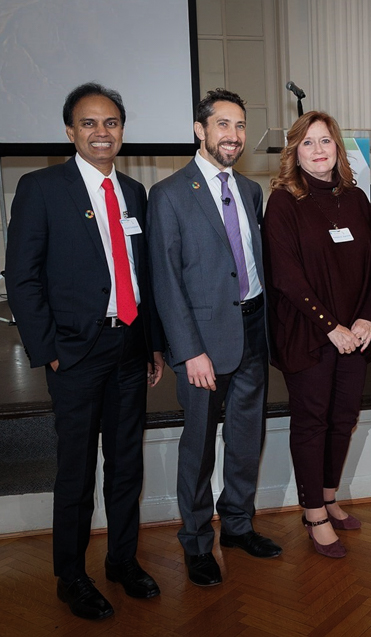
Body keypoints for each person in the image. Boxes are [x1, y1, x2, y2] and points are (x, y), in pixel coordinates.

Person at [5, 83, 165, 620]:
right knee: (75, 471)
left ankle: (122, 560)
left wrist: (151, 345)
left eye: (112, 122)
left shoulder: (136, 194)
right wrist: (48, 350)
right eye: (90, 123)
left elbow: (143, 277)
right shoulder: (41, 188)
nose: (102, 132)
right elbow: (22, 279)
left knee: (126, 465)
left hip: (128, 348)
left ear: (122, 130)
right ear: (70, 131)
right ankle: (70, 574)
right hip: (73, 354)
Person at [148, 88, 280, 587]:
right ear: (200, 130)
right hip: (202, 342)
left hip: (252, 329)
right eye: (223, 124)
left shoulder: (250, 190)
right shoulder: (169, 195)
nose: (233, 135)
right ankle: (197, 541)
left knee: (247, 438)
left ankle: (239, 526)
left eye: (240, 126)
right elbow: (166, 281)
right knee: (200, 445)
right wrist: (190, 350)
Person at [262, 111, 371, 558]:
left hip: (355, 334)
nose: (318, 150)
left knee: (342, 419)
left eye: (326, 141)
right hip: (309, 334)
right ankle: (313, 510)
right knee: (312, 422)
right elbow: (286, 276)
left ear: (338, 148)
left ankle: (329, 496)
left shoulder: (355, 198)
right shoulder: (282, 201)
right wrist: (330, 326)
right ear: (295, 152)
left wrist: (367, 319)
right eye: (308, 143)